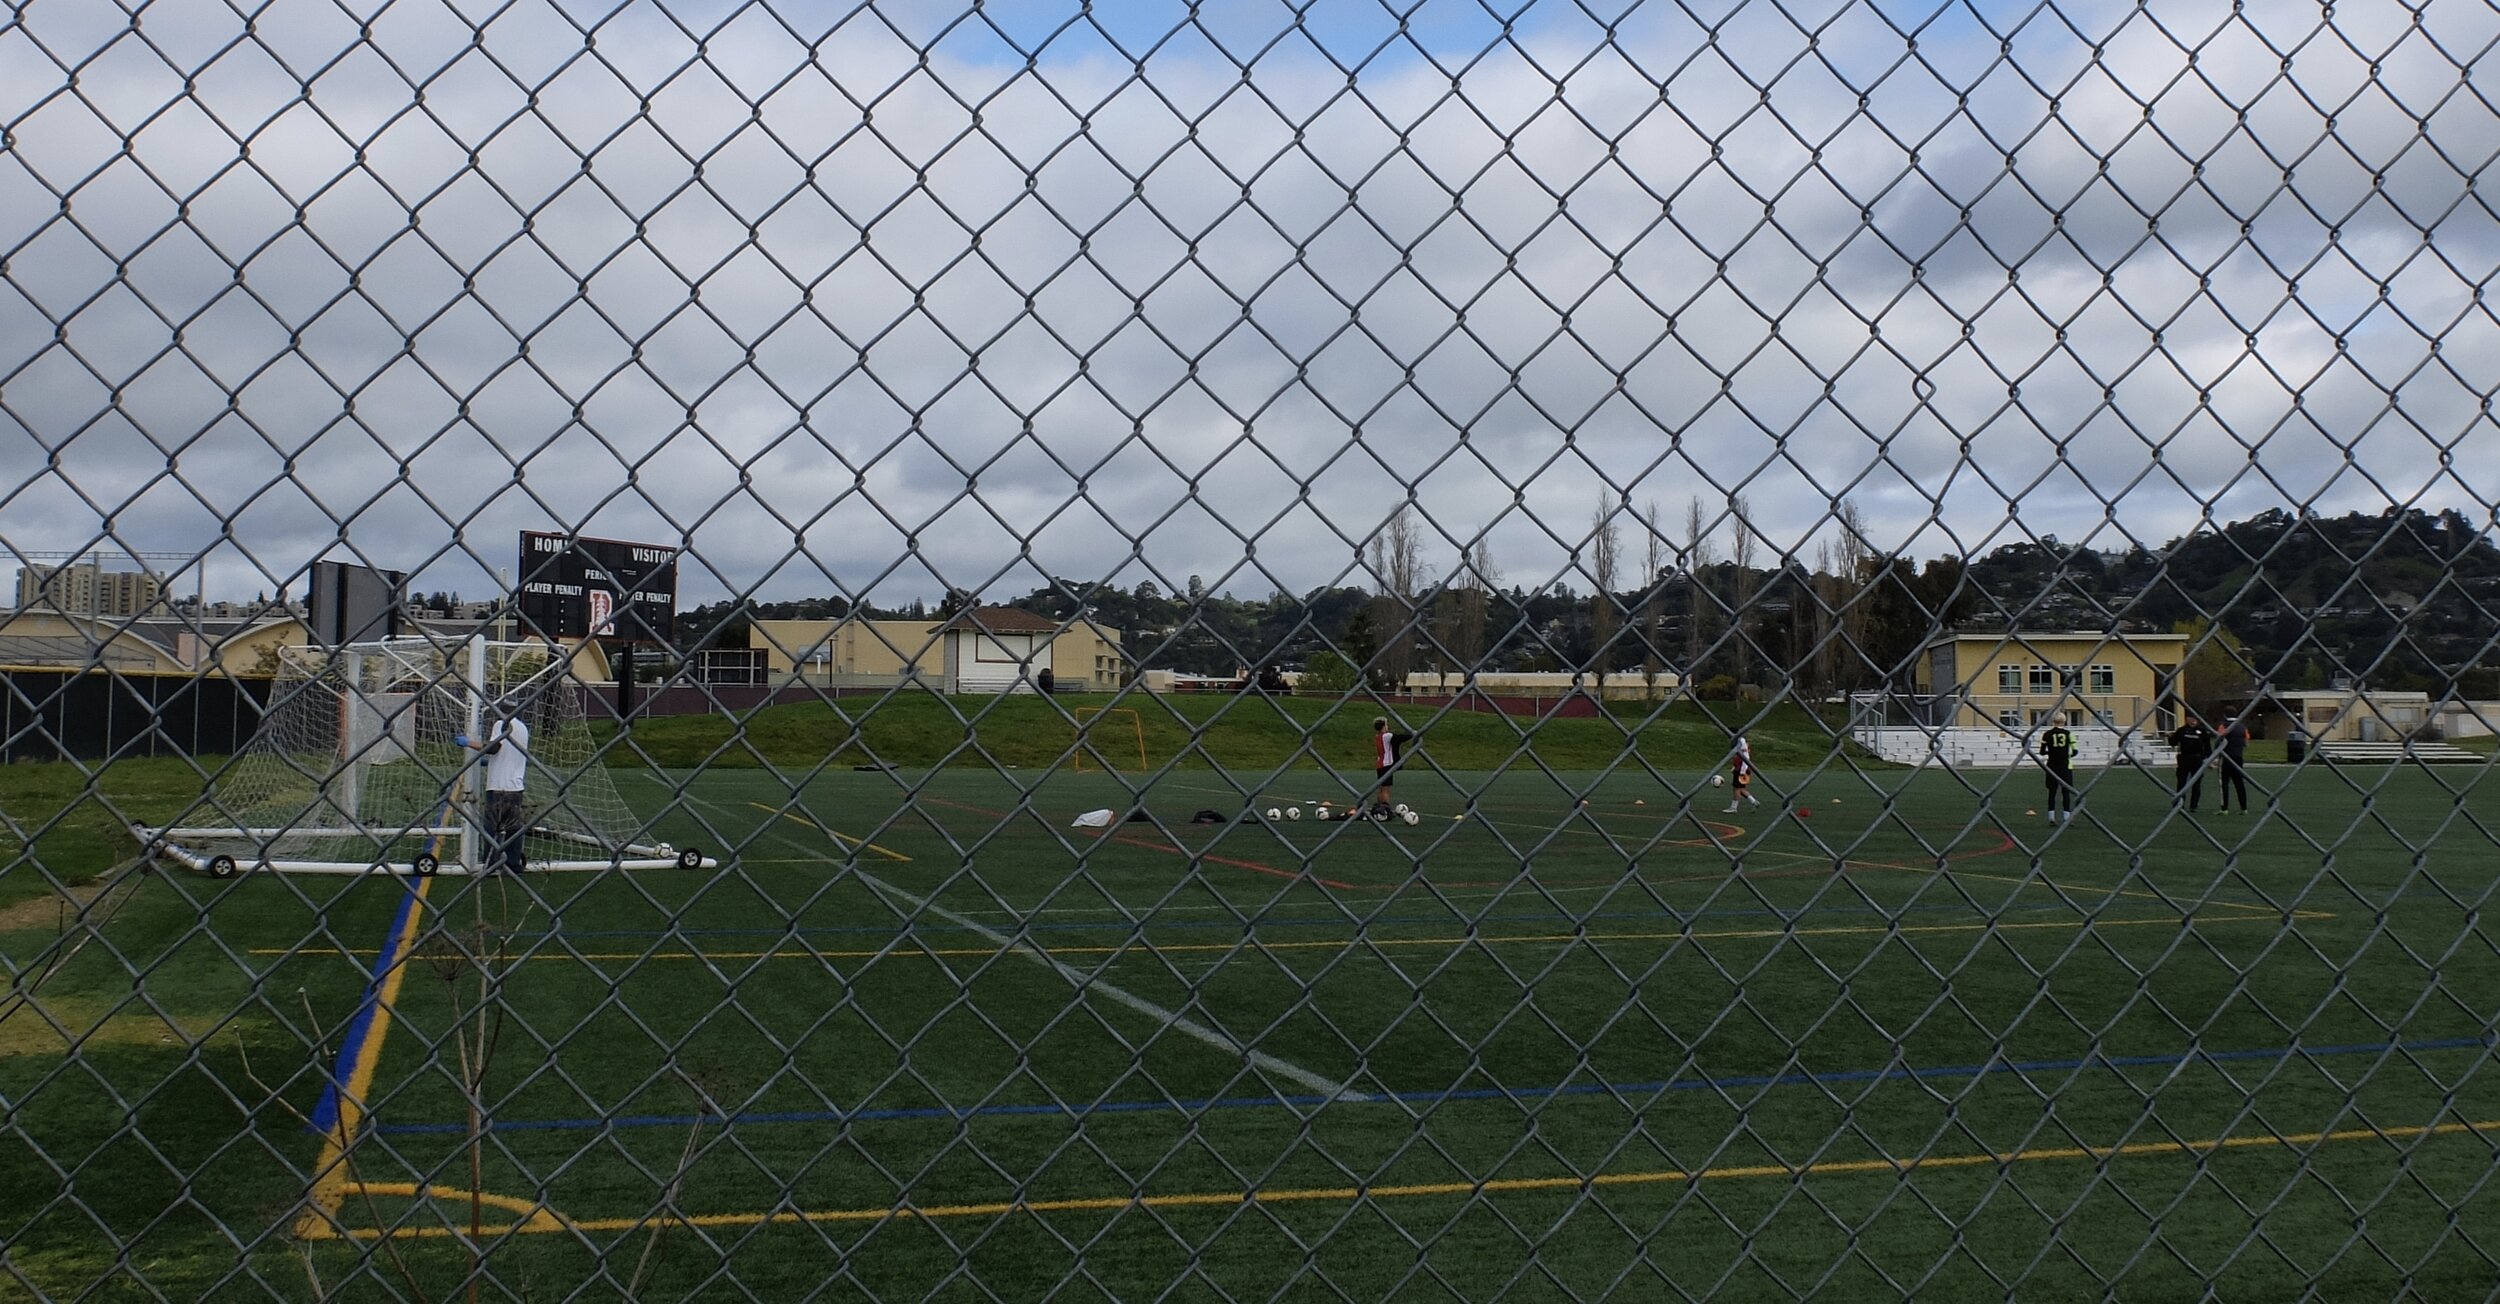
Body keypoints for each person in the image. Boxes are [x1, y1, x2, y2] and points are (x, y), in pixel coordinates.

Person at [462, 701, 532, 873]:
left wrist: (469, 743)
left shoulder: (502, 724)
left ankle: (491, 865)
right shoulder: (523, 728)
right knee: (513, 829)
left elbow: (494, 747)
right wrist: (490, 763)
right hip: (516, 787)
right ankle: (513, 865)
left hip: (499, 787)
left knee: (491, 828)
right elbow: (507, 753)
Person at [2169, 713, 2214, 813]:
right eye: (2190, 718)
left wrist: (2209, 761)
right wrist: (2170, 737)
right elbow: (2173, 743)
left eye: (2194, 718)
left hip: (2197, 759)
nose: (2192, 720)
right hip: (2184, 758)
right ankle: (2179, 804)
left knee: (2196, 783)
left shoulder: (2202, 731)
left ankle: (2194, 805)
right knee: (2181, 782)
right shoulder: (2181, 730)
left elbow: (2208, 748)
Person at [1371, 717, 1414, 820]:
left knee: (1381, 787)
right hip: (1387, 764)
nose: (1387, 726)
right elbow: (1400, 738)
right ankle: (1386, 809)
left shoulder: (1378, 737)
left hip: (1380, 764)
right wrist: (1412, 734)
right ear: (1383, 726)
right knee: (1386, 788)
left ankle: (1379, 806)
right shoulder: (1387, 736)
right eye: (1386, 725)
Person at [2040, 712, 2079, 823]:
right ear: (2064, 720)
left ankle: (2051, 817)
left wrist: (2052, 753)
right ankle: (2067, 817)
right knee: (2066, 792)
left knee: (2052, 792)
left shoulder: (2047, 734)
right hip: (2065, 766)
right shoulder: (2068, 734)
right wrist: (2065, 755)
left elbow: (2042, 752)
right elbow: (2075, 751)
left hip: (2051, 766)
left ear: (2053, 721)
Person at [2217, 715, 2251, 813]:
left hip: (2226, 757)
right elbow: (2246, 742)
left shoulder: (2223, 725)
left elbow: (2219, 738)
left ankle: (2224, 808)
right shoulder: (2242, 726)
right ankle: (2243, 807)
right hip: (2238, 757)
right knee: (2239, 783)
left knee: (2224, 783)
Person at [1722, 735, 1760, 813]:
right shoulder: (1739, 742)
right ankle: (1754, 802)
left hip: (1742, 769)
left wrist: (1742, 771)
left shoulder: (1741, 742)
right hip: (1740, 768)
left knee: (1737, 788)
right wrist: (1734, 766)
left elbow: (1745, 757)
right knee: (1740, 788)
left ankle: (1733, 807)